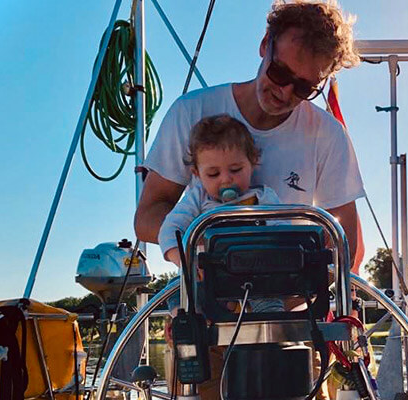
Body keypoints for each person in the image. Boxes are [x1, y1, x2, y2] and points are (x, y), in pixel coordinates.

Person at [135, 0, 365, 269]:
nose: (286, 92)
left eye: (304, 87)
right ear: (265, 44)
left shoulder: (328, 135)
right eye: (280, 72)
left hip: (291, 302)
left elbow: (344, 241)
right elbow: (147, 217)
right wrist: (217, 245)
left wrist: (289, 290)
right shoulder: (191, 111)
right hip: (208, 298)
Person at [158, 113, 284, 313]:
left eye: (235, 169)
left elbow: (283, 234)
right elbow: (170, 230)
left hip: (256, 277)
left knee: (271, 296)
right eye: (213, 174)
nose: (226, 180)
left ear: (253, 162)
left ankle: (272, 331)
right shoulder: (198, 198)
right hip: (210, 277)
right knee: (172, 290)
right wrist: (187, 262)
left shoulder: (263, 198)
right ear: (197, 174)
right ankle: (192, 323)